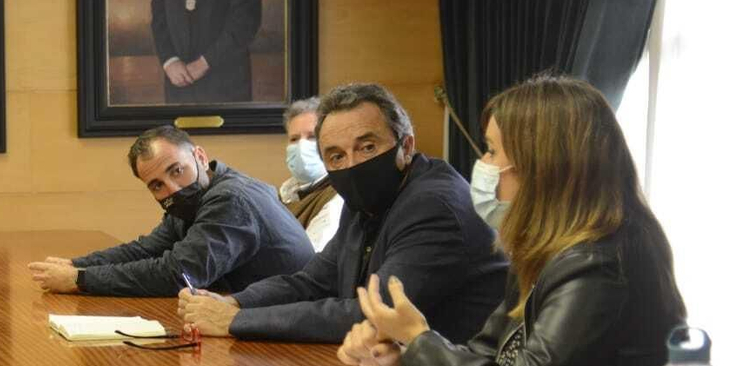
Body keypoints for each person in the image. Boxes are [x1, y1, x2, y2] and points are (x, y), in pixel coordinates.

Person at [338, 76, 731, 366]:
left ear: (540, 164)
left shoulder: (601, 259)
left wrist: (421, 342)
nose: (482, 167)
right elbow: (487, 357)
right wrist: (402, 356)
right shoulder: (548, 247)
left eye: (491, 152)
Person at [180, 83, 507, 342]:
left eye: (367, 147)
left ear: (405, 147)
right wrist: (235, 303)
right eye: (336, 156)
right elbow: (312, 281)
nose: (352, 165)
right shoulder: (365, 201)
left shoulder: (435, 205)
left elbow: (377, 314)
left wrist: (237, 322)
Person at [27, 125, 313, 297]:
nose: (172, 188)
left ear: (199, 156)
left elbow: (180, 274)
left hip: (294, 336)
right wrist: (76, 264)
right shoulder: (194, 197)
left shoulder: (230, 199)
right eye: (156, 185)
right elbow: (147, 249)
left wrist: (80, 280)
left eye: (177, 171)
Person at [279, 95, 343, 251]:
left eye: (312, 137)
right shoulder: (283, 193)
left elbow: (309, 258)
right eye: (294, 139)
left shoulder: (338, 195)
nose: (301, 145)